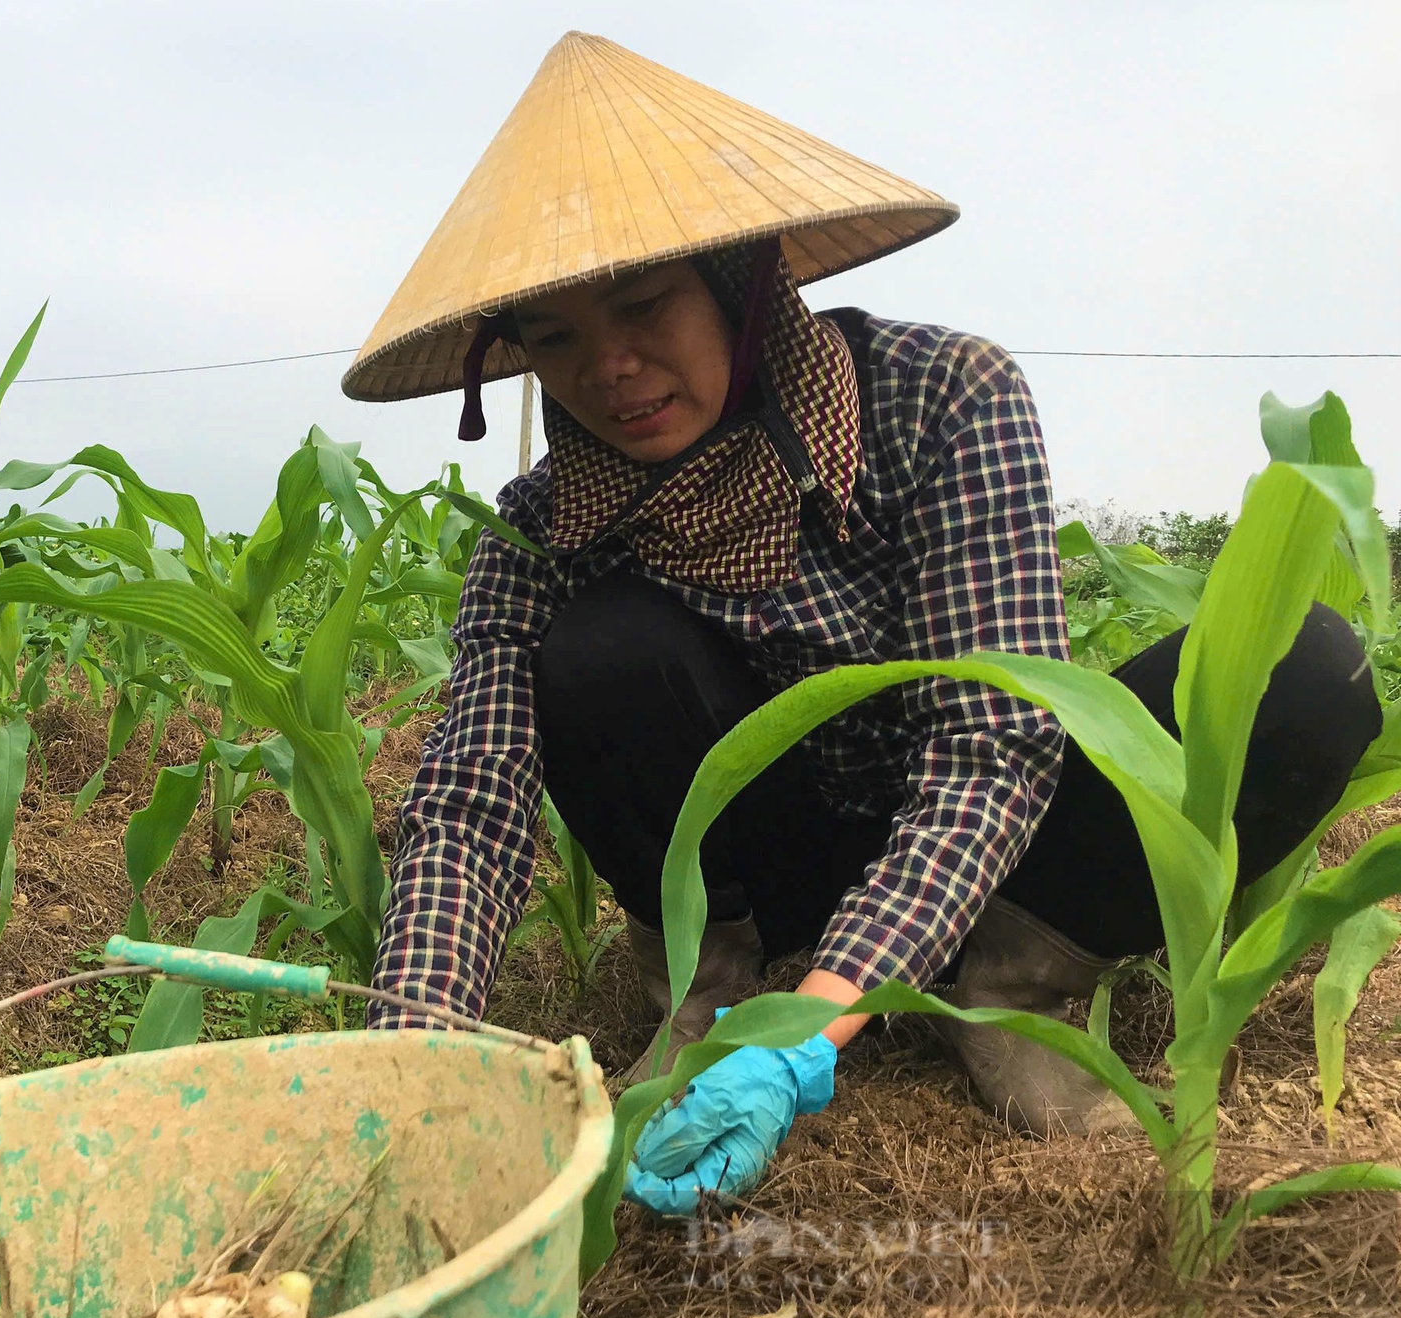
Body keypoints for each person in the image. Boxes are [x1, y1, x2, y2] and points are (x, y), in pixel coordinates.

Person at [339, 33, 1379, 1215]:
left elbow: (988, 753)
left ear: (744, 286)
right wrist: (407, 1054)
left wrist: (808, 1037)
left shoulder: (940, 399)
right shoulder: (542, 535)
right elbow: (469, 809)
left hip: (991, 860)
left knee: (1300, 672)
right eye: (556, 337)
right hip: (769, 870)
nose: (609, 368)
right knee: (599, 650)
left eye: (641, 306)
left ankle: (1004, 985)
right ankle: (719, 992)